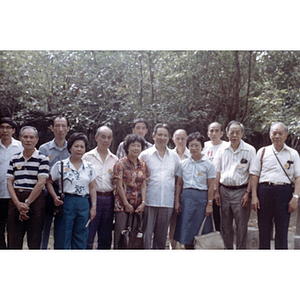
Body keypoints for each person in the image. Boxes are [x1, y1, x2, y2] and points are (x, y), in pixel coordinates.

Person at [250, 122, 300, 249]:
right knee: (264, 229)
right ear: (269, 135)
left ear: (286, 135)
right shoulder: (262, 151)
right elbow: (254, 175)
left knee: (282, 230)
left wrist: (295, 197)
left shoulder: (292, 153)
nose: (277, 136)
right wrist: (254, 196)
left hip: (284, 192)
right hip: (264, 192)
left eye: (280, 133)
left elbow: (298, 177)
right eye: (274, 133)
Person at [47, 132, 97, 249]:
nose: (79, 149)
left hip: (83, 203)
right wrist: (55, 197)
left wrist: (93, 206)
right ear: (70, 147)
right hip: (66, 203)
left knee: (81, 237)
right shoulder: (60, 165)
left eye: (82, 147)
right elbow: (48, 182)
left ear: (85, 149)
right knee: (62, 237)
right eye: (76, 146)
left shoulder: (89, 167)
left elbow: (92, 187)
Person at [214, 120, 256, 249]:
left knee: (241, 226)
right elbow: (217, 172)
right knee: (225, 226)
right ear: (227, 133)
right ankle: (228, 251)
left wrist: (248, 193)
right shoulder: (221, 150)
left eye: (238, 132)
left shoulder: (249, 150)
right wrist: (216, 191)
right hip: (224, 191)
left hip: (241, 192)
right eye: (232, 132)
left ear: (242, 134)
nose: (234, 135)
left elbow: (253, 174)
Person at [6, 126, 49, 249]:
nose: (28, 140)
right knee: (13, 240)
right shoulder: (14, 158)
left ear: (37, 140)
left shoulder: (43, 158)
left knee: (34, 240)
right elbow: (9, 182)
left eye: (31, 137)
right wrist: (18, 204)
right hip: (16, 199)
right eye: (25, 137)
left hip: (35, 200)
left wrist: (27, 203)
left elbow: (41, 183)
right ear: (20, 138)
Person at [139, 123, 180, 249]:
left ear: (169, 138)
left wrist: (176, 201)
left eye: (165, 135)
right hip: (149, 201)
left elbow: (177, 179)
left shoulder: (174, 156)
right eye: (159, 135)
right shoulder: (145, 155)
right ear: (153, 136)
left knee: (161, 238)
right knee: (146, 235)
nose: (162, 138)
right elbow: (140, 179)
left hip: (167, 202)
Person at [174, 132, 216, 249]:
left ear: (202, 147)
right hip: (186, 200)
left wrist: (209, 204)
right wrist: (177, 202)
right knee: (187, 231)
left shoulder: (209, 165)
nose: (194, 148)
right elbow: (179, 184)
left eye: (197, 145)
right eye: (191, 145)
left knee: (201, 232)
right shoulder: (183, 164)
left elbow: (211, 186)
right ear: (188, 147)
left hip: (201, 200)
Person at [82, 126, 118, 249]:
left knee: (105, 236)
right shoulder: (87, 157)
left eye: (109, 137)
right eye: (103, 137)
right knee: (88, 234)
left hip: (108, 199)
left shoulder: (115, 159)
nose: (106, 140)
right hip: (91, 199)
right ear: (96, 138)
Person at [39, 116, 70, 249]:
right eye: (57, 125)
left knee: (63, 228)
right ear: (52, 128)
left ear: (68, 128)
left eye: (64, 126)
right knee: (43, 227)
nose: (60, 129)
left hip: (66, 193)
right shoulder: (44, 149)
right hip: (46, 191)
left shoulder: (72, 148)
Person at [113, 133, 148, 249]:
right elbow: (119, 186)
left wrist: (143, 203)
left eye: (138, 146)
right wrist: (126, 204)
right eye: (133, 145)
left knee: (135, 235)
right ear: (127, 147)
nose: (136, 148)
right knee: (121, 235)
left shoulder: (143, 165)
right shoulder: (120, 164)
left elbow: (143, 184)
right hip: (122, 206)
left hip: (137, 207)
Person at [0, 117, 23, 249]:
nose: (5, 130)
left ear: (13, 130)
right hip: (0, 194)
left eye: (8, 128)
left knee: (14, 231)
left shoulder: (20, 147)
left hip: (15, 196)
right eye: (2, 127)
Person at [202, 122, 228, 232]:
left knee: (219, 218)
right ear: (208, 133)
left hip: (220, 187)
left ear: (221, 133)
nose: (214, 133)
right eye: (211, 131)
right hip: (204, 185)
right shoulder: (203, 146)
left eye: (217, 130)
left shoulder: (227, 146)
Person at [169, 129, 190, 249]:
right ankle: (172, 247)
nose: (180, 141)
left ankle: (185, 247)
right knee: (173, 222)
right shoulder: (169, 155)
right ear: (173, 140)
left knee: (186, 222)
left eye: (183, 138)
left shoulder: (192, 154)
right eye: (178, 138)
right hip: (171, 193)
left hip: (187, 193)